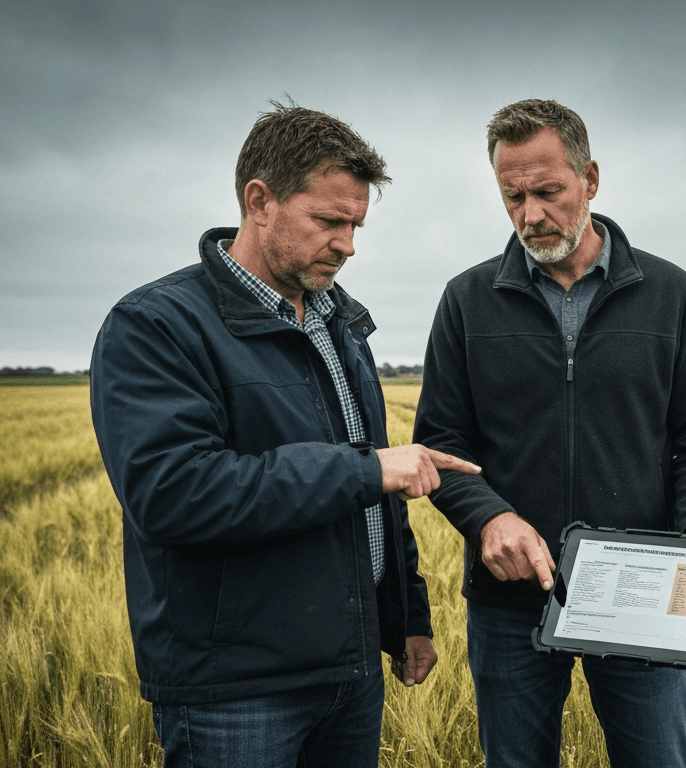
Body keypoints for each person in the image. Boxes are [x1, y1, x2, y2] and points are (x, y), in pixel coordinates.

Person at [90, 103, 480, 767]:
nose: (349, 244)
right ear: (259, 200)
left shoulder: (339, 327)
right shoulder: (155, 326)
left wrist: (406, 616)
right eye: (329, 220)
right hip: (237, 689)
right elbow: (173, 493)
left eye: (356, 224)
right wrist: (367, 470)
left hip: (351, 669)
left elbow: (377, 488)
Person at [412, 99, 686, 768]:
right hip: (511, 601)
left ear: (590, 178)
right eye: (512, 197)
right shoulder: (466, 301)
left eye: (548, 191)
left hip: (641, 588)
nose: (531, 214)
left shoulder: (669, 292)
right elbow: (442, 442)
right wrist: (489, 519)